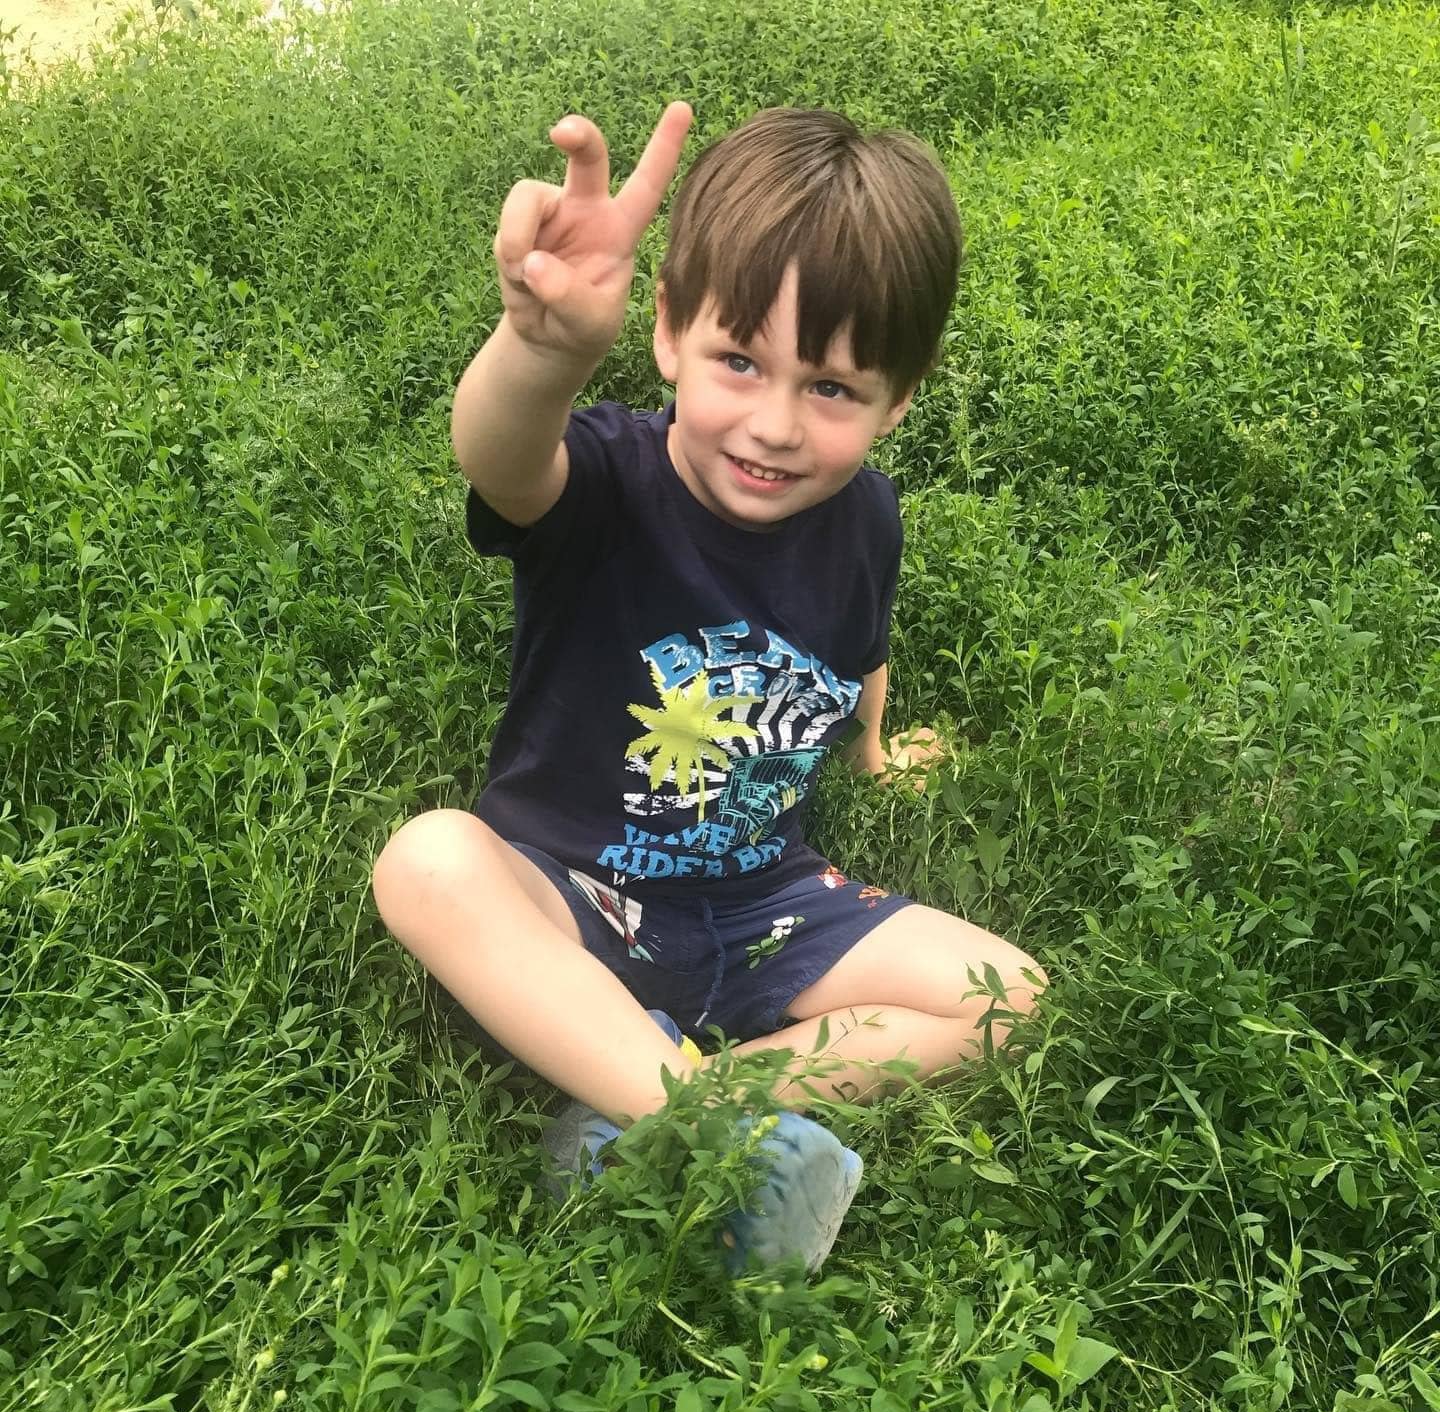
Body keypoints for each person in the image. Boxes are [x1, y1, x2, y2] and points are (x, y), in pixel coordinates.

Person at [372, 100, 1046, 1274]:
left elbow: (856, 652)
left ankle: (659, 1102)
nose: (774, 426)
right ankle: (708, 1132)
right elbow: (502, 460)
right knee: (427, 862)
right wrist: (543, 352)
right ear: (671, 331)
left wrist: (874, 755)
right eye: (740, 362)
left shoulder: (866, 518)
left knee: (1011, 996)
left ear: (900, 398)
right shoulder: (610, 481)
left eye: (832, 389)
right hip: (575, 894)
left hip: (763, 902)